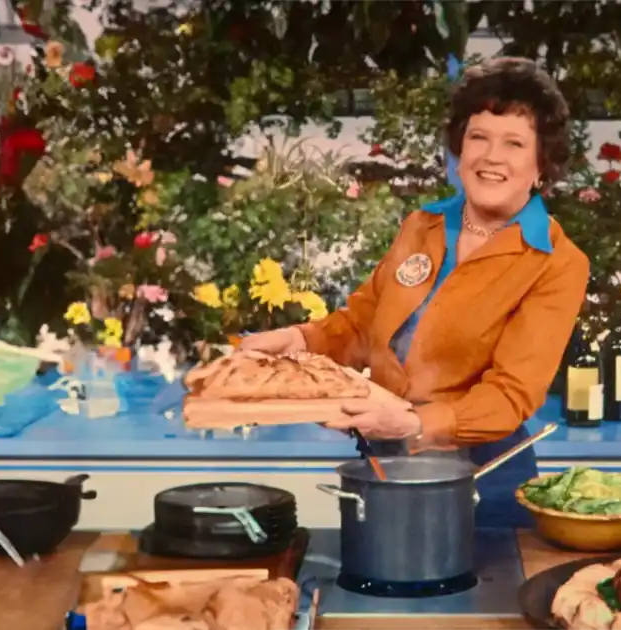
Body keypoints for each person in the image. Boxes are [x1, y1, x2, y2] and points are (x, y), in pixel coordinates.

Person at [239, 57, 589, 528]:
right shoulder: (422, 226)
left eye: (514, 143)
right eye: (478, 137)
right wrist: (301, 340)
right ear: (459, 149)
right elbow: (363, 322)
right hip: (382, 466)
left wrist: (416, 424)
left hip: (481, 484)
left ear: (541, 165)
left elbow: (510, 396)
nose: (491, 156)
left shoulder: (557, 263)